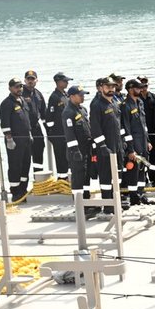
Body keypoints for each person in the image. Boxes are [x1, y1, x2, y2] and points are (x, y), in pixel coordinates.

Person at [91, 76, 124, 211]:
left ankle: (117, 201)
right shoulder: (97, 104)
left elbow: (118, 124)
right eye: (108, 86)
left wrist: (123, 142)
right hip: (105, 147)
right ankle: (108, 205)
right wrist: (102, 145)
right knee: (106, 177)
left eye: (112, 86)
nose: (110, 89)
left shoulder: (114, 103)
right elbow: (95, 127)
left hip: (117, 145)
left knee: (118, 174)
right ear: (101, 88)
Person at [61, 85, 94, 216]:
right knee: (78, 178)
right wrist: (75, 151)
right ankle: (79, 205)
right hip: (76, 152)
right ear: (72, 96)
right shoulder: (68, 112)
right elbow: (69, 134)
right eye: (80, 95)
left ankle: (86, 202)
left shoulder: (83, 110)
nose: (83, 97)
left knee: (86, 178)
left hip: (87, 149)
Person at [0, 78, 33, 200]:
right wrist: (9, 139)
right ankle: (15, 192)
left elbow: (26, 120)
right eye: (16, 87)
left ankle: (23, 189)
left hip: (26, 140)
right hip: (14, 141)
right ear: (10, 88)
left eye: (21, 86)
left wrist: (30, 135)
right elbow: (5, 124)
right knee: (15, 166)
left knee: (26, 165)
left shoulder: (22, 100)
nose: (19, 89)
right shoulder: (6, 104)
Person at [122, 79, 154, 205]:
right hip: (134, 143)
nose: (141, 90)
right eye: (138, 88)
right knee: (133, 171)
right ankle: (134, 197)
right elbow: (126, 128)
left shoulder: (140, 102)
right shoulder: (125, 106)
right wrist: (130, 150)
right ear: (130, 89)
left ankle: (141, 194)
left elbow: (144, 124)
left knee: (143, 169)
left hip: (143, 142)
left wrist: (148, 141)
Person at [45, 72, 72, 181]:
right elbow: (49, 117)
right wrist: (52, 133)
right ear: (58, 82)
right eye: (65, 81)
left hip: (67, 132)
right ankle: (62, 180)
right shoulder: (54, 97)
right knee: (60, 157)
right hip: (58, 133)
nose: (67, 83)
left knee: (68, 157)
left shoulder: (66, 95)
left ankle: (68, 178)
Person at [21, 70, 47, 175]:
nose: (30, 81)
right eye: (28, 79)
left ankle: (38, 179)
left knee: (39, 150)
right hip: (24, 129)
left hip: (36, 128)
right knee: (25, 156)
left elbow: (44, 114)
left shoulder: (38, 94)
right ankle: (23, 184)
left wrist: (49, 130)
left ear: (36, 80)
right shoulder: (20, 93)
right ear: (25, 80)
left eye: (32, 79)